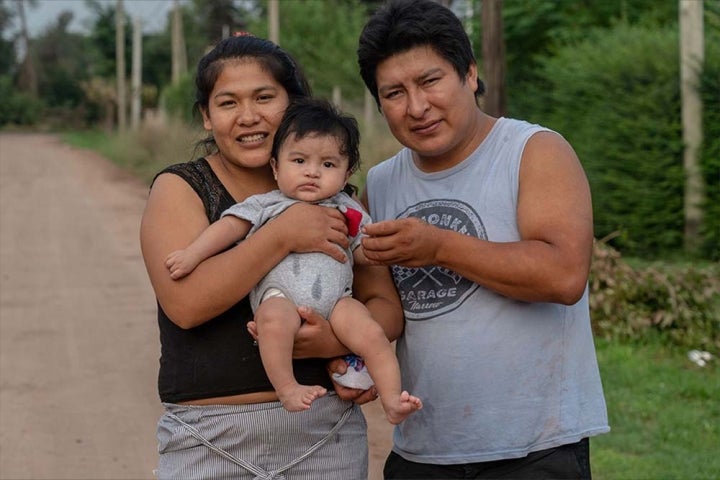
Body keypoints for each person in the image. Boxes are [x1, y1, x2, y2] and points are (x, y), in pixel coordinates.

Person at [356, 1, 610, 478]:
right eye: (394, 92)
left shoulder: (533, 151)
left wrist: (438, 247)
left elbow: (564, 275)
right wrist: (341, 353)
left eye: (430, 81)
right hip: (422, 454)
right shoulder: (382, 184)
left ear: (469, 74)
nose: (416, 106)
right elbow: (377, 304)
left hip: (535, 451)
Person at [140, 34, 403, 480]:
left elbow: (386, 309)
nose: (248, 117)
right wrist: (280, 236)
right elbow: (186, 306)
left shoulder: (337, 199)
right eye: (227, 103)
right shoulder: (181, 188)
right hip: (208, 440)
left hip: (325, 436)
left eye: (265, 97)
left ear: (294, 105)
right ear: (206, 116)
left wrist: (334, 343)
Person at [164, 97, 422, 423]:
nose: (312, 172)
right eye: (299, 161)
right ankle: (287, 388)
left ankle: (392, 399)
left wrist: (391, 246)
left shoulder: (350, 210)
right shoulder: (269, 204)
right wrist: (192, 254)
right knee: (272, 321)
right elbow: (229, 228)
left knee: (370, 333)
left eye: (328, 165)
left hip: (337, 302)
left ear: (346, 173)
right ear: (276, 167)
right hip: (281, 295)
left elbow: (367, 253)